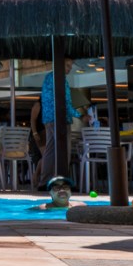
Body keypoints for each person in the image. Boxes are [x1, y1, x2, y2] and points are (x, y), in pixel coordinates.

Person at [38, 60, 88, 188]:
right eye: (67, 65)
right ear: (59, 64)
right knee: (63, 150)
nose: (70, 68)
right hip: (60, 119)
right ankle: (63, 183)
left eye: (71, 66)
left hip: (49, 118)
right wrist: (80, 116)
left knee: (50, 150)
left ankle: (44, 182)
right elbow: (64, 103)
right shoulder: (60, 80)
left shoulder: (48, 77)